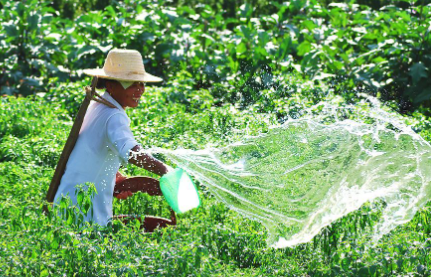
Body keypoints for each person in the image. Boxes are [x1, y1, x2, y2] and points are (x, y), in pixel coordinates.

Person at [53, 49, 172, 227]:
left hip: (66, 205)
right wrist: (166, 171)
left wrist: (113, 176)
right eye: (131, 84)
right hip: (84, 216)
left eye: (141, 83)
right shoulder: (113, 115)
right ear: (110, 85)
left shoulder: (98, 105)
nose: (139, 90)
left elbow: (91, 151)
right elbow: (132, 153)